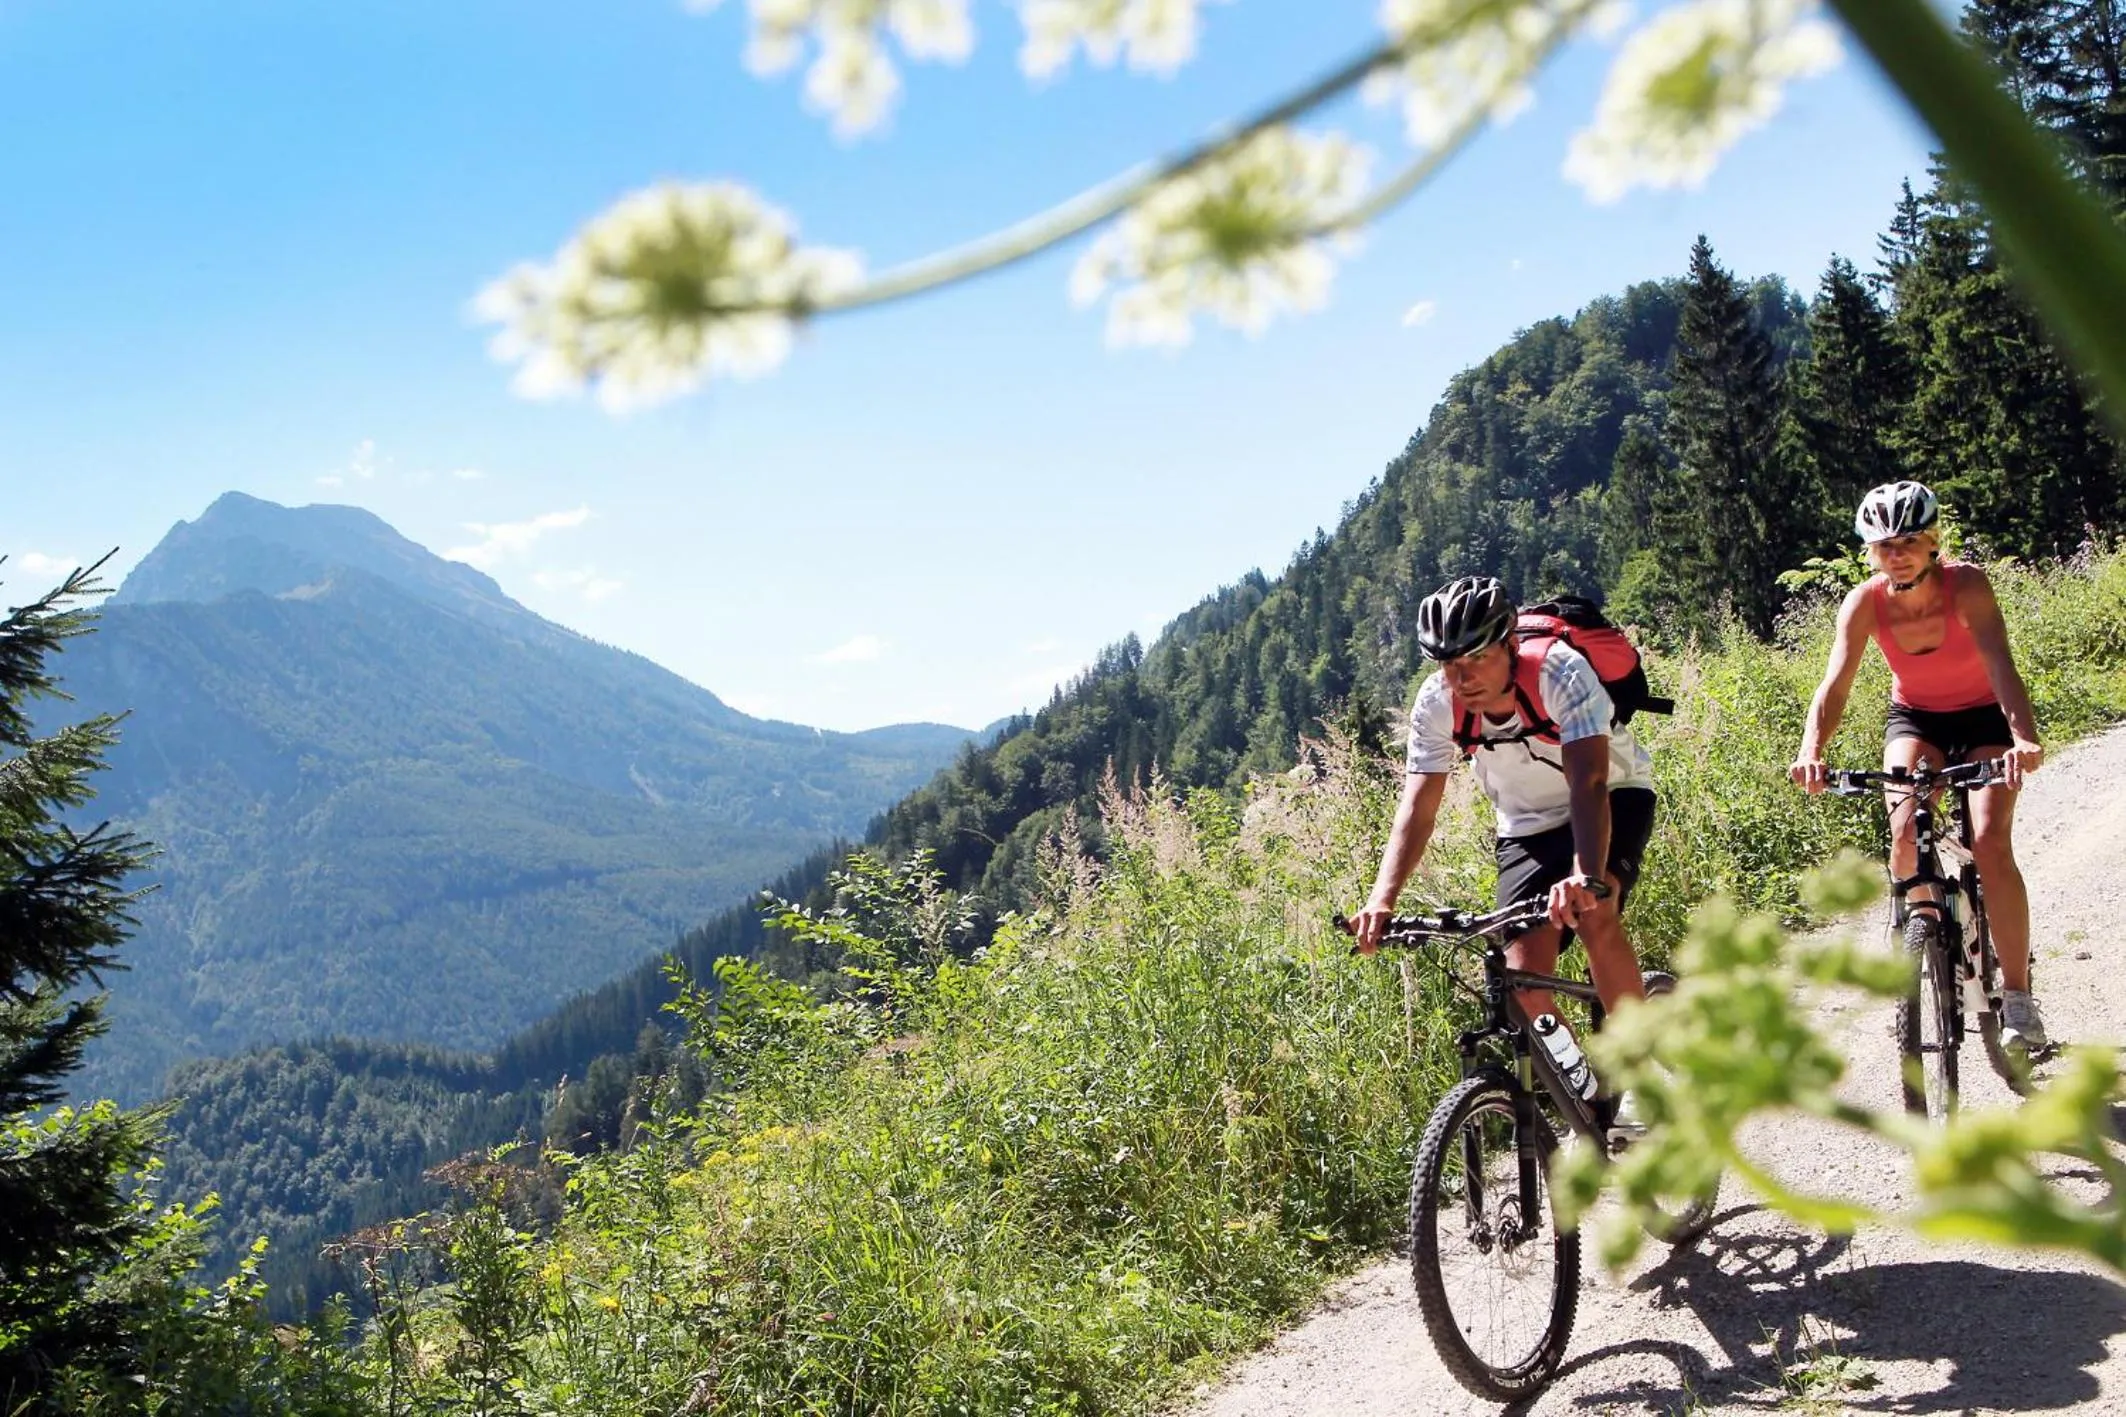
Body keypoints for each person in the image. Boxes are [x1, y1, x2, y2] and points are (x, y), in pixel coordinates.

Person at [1350, 575, 1659, 1124]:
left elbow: (1588, 784)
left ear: (1511, 645)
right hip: (1527, 827)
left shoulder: (1561, 671)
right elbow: (1418, 808)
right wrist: (1382, 899)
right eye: (1446, 664)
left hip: (1613, 795)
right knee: (1520, 977)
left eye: (1473, 660)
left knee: (1596, 910)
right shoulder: (1437, 703)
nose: (1458, 679)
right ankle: (1588, 1100)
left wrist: (1584, 874)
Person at [1790, 480, 2048, 1056]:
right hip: (1916, 719)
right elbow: (1835, 686)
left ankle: (2019, 996)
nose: (1896, 553)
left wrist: (2023, 738)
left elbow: (2001, 665)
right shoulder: (1864, 603)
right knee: (1905, 828)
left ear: (1933, 541)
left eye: (1908, 540)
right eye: (1883, 545)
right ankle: (1921, 940)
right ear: (1869, 551)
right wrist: (1812, 750)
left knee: (1988, 840)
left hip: (1984, 718)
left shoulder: (1967, 585)